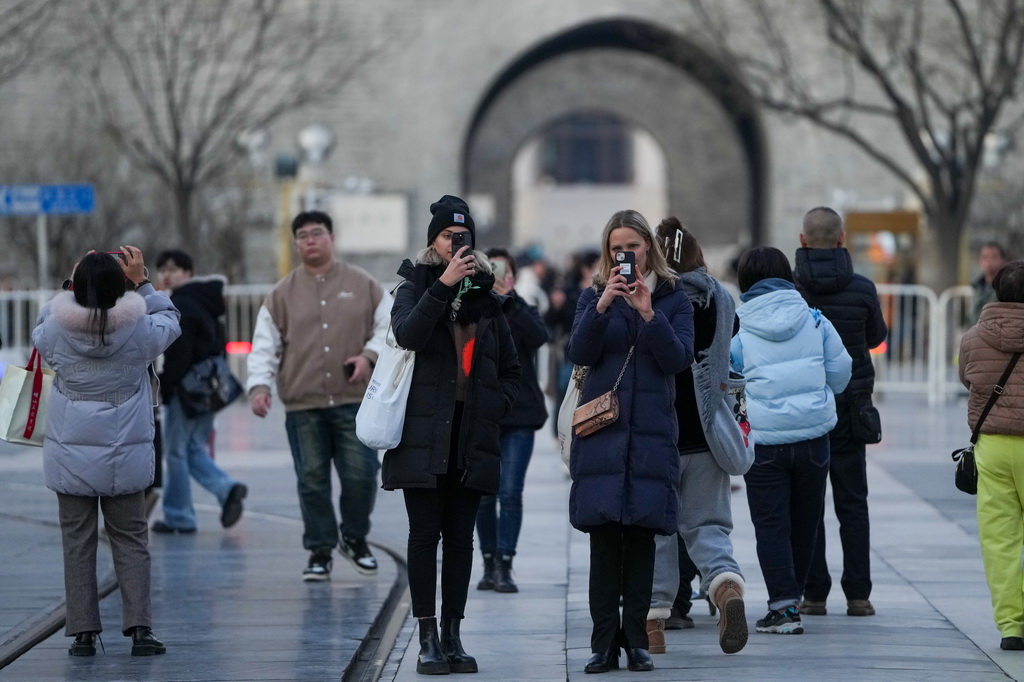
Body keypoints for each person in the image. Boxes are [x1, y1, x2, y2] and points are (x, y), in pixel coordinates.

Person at [383, 195, 521, 675]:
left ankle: (453, 635)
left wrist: (494, 405)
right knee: (425, 535)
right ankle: (426, 636)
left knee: (461, 538)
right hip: (423, 432)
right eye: (447, 236)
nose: (454, 244)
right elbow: (408, 335)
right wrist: (442, 286)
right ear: (433, 241)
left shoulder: (487, 300)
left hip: (471, 433)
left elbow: (511, 369)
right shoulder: (413, 287)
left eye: (462, 237)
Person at [33, 248, 180, 656]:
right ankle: (140, 630)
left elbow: (42, 325)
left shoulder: (57, 330)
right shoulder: (139, 330)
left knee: (77, 543)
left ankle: (83, 634)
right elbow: (171, 320)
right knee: (131, 540)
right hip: (124, 457)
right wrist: (143, 283)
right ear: (122, 285)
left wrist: (73, 283)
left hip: (69, 457)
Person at [568, 209, 694, 674]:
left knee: (642, 540)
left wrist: (648, 313)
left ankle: (637, 641)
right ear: (608, 251)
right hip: (603, 435)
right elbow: (578, 352)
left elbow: (678, 360)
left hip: (651, 434)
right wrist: (602, 307)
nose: (626, 255)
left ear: (648, 248)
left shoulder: (674, 298)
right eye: (617, 248)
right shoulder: (592, 296)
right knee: (604, 543)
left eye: (634, 246)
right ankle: (603, 643)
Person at [247, 210, 390, 581]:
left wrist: (368, 356)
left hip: (355, 402)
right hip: (303, 405)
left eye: (317, 233)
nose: (310, 240)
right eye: (302, 235)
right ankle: (320, 550)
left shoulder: (364, 284)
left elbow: (388, 328)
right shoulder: (281, 294)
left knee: (362, 475)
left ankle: (354, 538)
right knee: (311, 481)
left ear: (332, 238)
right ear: (296, 244)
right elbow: (264, 346)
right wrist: (259, 387)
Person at [731, 246, 851, 635]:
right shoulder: (815, 319)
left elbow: (729, 377)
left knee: (771, 525)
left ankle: (783, 607)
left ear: (745, 281)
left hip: (764, 441)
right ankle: (792, 599)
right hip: (814, 437)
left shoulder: (739, 327)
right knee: (806, 522)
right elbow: (842, 371)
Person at [646, 217, 749, 656]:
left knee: (657, 533)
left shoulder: (652, 298)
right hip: (708, 435)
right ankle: (726, 589)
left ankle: (653, 626)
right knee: (708, 528)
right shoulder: (719, 299)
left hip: (659, 435)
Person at [793, 207, 888, 618]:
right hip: (851, 407)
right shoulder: (863, 288)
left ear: (802, 240)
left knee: (808, 504)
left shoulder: (791, 290)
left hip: (805, 407)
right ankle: (858, 594)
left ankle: (814, 593)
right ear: (842, 238)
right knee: (853, 503)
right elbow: (876, 337)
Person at [150, 249, 247, 534]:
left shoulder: (181, 304)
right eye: (162, 269)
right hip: (209, 390)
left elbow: (178, 354)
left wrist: (166, 387)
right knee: (192, 448)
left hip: (186, 390)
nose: (166, 274)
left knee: (176, 453)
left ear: (188, 273)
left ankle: (179, 516)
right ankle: (227, 489)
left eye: (173, 269)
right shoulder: (208, 301)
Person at [474, 247, 549, 594]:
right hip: (482, 414)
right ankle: (488, 562)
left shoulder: (522, 309)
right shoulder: (473, 307)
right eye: (492, 270)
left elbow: (539, 337)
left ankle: (505, 564)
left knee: (510, 492)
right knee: (484, 494)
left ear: (514, 276)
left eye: (504, 270)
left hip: (519, 416)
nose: (499, 276)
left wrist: (511, 301)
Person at [959, 259, 1024, 651]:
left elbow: (967, 379)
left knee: (1000, 539)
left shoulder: (973, 337)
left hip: (993, 446)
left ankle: (1012, 626)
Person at [970, 242, 1008, 326]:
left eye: (994, 257)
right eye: (985, 257)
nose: (989, 261)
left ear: (1003, 260)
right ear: (980, 261)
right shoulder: (976, 287)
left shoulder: (1007, 287)